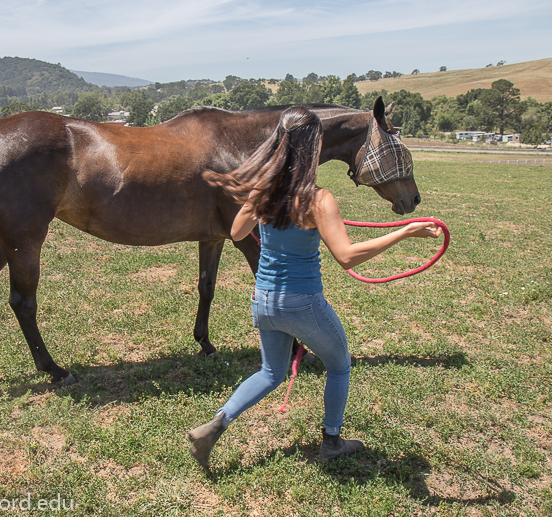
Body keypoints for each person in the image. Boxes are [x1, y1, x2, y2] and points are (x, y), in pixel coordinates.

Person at [187, 106, 441, 468]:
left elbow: (237, 232)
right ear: (314, 146)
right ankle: (332, 441)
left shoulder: (263, 189)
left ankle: (216, 424)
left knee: (271, 372)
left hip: (263, 301)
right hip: (301, 303)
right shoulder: (319, 199)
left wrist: (259, 195)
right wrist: (405, 231)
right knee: (339, 366)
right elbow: (347, 256)